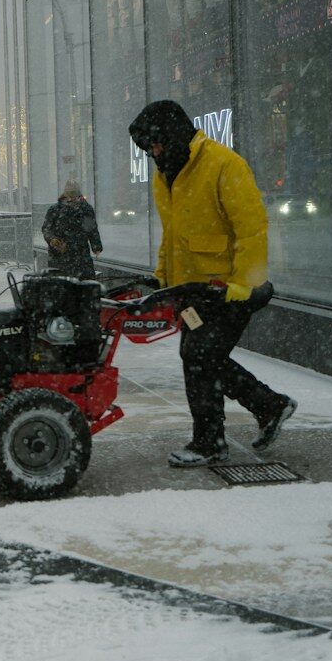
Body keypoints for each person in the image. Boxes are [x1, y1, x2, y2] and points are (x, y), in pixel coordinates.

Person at [128, 99, 296, 467]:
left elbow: (251, 231)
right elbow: (171, 236)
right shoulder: (166, 174)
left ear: (174, 135)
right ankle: (268, 406)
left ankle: (210, 441)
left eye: (157, 143)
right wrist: (162, 277)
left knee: (199, 356)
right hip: (191, 292)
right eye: (149, 147)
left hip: (227, 290)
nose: (154, 152)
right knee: (202, 357)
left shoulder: (223, 165)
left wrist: (243, 286)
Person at [42, 180, 102, 279]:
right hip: (60, 254)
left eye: (74, 196)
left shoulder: (85, 209)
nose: (72, 199)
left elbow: (92, 229)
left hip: (80, 255)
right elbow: (46, 229)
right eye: (70, 196)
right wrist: (52, 240)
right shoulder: (55, 210)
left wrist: (96, 246)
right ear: (65, 195)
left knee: (82, 285)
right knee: (63, 286)